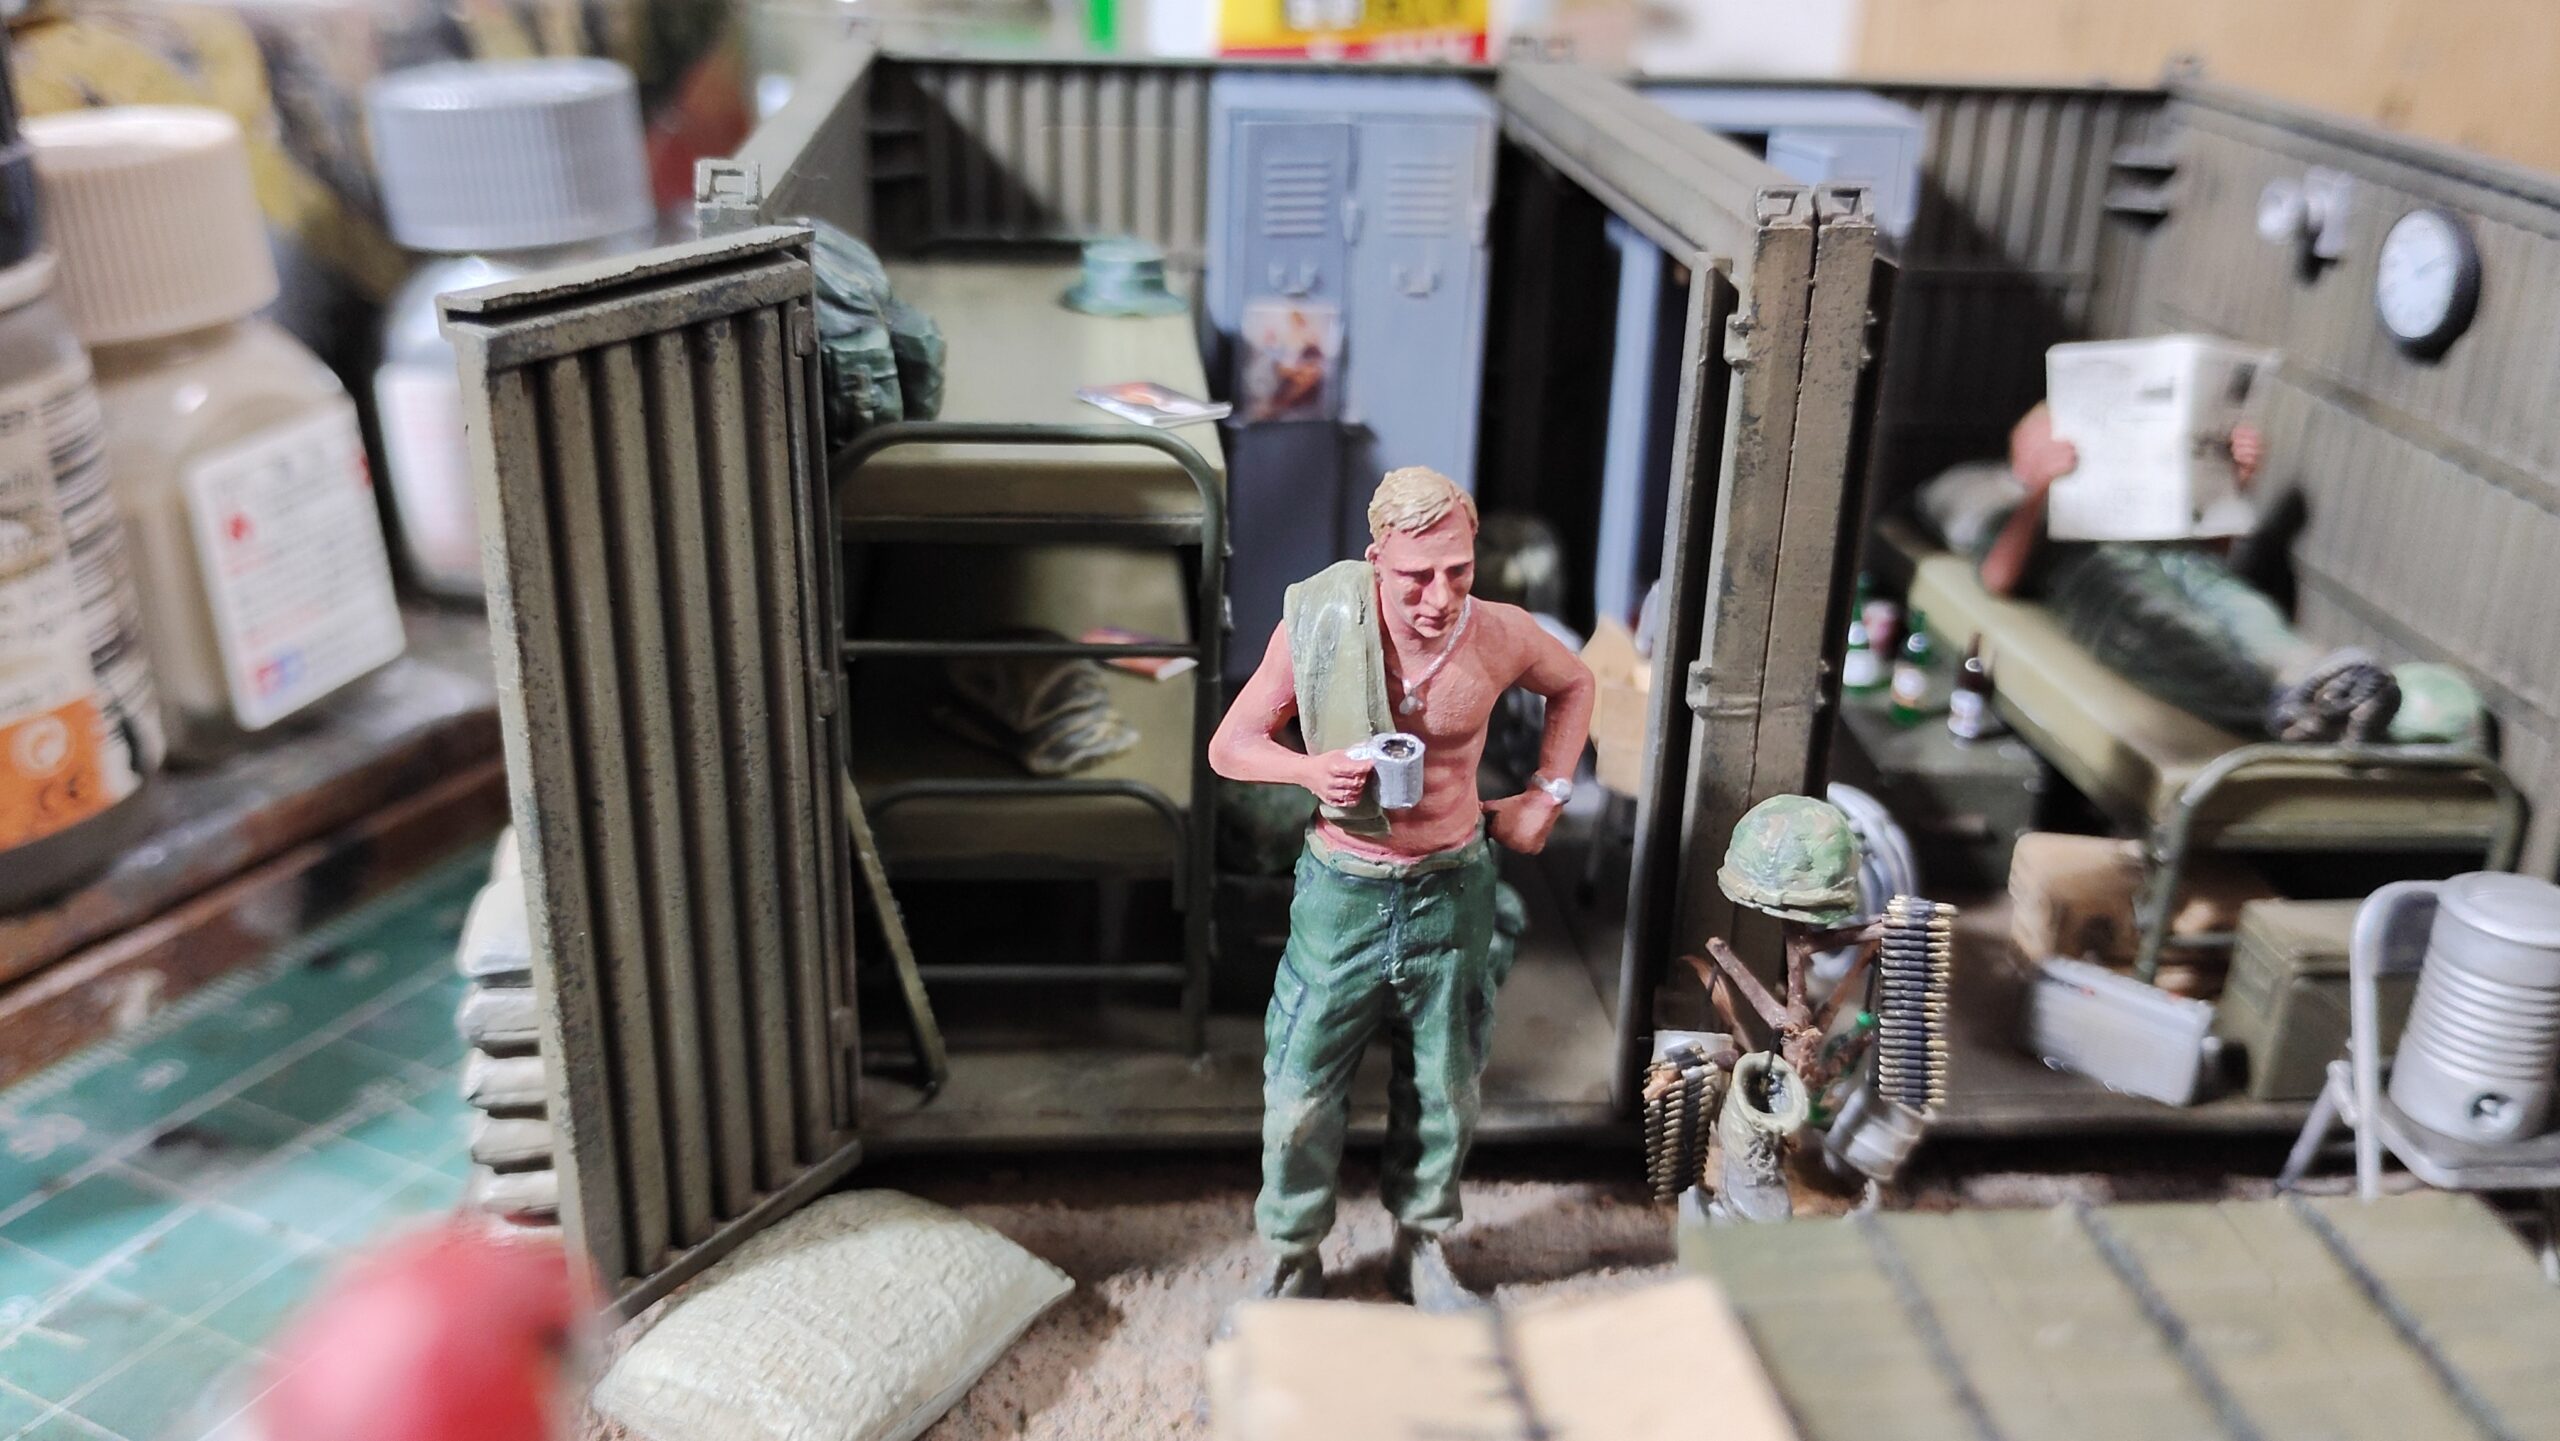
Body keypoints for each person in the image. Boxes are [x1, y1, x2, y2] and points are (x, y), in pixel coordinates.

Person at [1208, 465, 1594, 1311]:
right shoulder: (1320, 624)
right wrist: (1310, 770)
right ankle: (1293, 1253)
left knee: (1446, 1086)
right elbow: (1230, 745)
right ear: (1376, 557)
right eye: (1418, 575)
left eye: (1459, 570)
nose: (1440, 596)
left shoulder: (1497, 633)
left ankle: (1420, 1244)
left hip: (1450, 888)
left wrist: (1547, 793)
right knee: (1300, 1087)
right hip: (1344, 889)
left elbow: (1575, 682)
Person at [1968, 401, 2399, 742]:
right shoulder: (2008, 510)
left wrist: (2231, 481)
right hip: (2100, 578)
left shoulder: (2134, 491)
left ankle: (2319, 678)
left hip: (2180, 561)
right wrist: (2042, 490)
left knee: (2246, 609)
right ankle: (2290, 714)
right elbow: (1998, 578)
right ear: (2019, 460)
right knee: (2173, 634)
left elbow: (2216, 554)